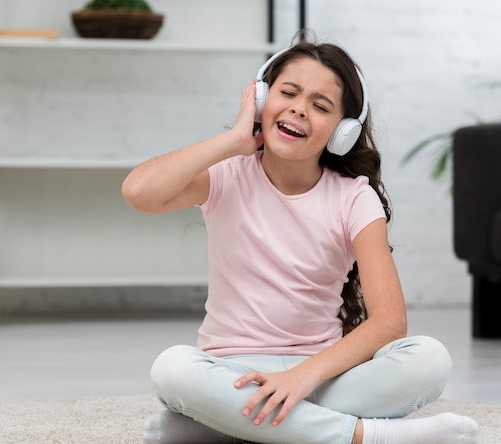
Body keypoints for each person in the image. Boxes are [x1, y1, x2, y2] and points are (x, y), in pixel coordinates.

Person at [121, 32, 480, 444]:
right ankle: (367, 436)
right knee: (173, 368)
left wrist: (300, 377)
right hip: (231, 371)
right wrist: (233, 141)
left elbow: (389, 322)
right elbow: (138, 192)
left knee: (430, 359)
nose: (299, 109)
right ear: (260, 99)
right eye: (288, 92)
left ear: (342, 131)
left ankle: (219, 428)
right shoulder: (227, 174)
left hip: (319, 374)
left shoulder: (355, 198)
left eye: (320, 105)